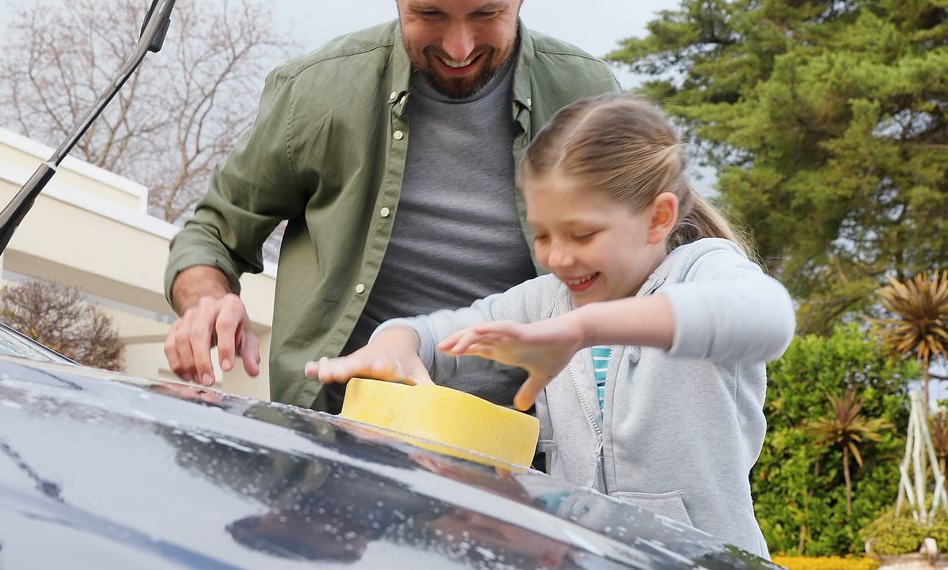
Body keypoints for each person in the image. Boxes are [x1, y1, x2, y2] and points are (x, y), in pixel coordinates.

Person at [305, 94, 795, 557]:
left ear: (657, 218)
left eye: (583, 234)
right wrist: (395, 343)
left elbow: (767, 316)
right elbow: (435, 333)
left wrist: (587, 328)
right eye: (542, 235)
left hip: (704, 560)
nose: (558, 257)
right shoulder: (548, 301)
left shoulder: (703, 271)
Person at [162, 0, 621, 412]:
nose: (459, 48)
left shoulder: (590, 99)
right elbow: (213, 234)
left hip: (540, 452)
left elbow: (655, 261)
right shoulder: (314, 92)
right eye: (429, 14)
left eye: (486, 14)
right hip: (341, 434)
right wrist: (206, 299)